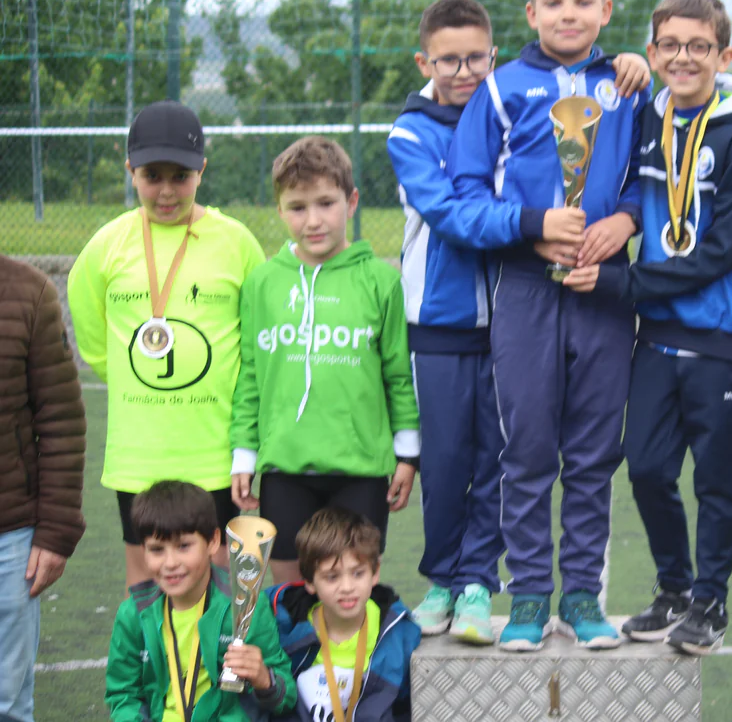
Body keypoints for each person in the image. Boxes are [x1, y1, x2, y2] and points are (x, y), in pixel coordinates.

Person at [447, 0, 651, 651]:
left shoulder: (627, 86)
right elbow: (465, 197)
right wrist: (531, 228)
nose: (570, 14)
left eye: (583, 2)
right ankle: (531, 594)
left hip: (603, 289)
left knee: (594, 453)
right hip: (527, 289)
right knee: (528, 449)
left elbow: (647, 179)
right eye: (555, 3)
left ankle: (584, 595)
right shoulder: (500, 89)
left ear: (606, 10)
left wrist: (624, 223)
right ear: (531, 12)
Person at [564, 0, 732, 655]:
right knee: (648, 467)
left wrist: (621, 284)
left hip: (722, 335)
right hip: (656, 332)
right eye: (670, 46)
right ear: (654, 53)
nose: (684, 58)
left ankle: (711, 601)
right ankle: (675, 588)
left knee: (717, 478)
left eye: (699, 46)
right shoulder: (648, 116)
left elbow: (723, 252)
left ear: (724, 56)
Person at [68, 100, 265, 589]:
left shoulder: (237, 243)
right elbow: (96, 342)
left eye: (180, 176)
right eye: (152, 176)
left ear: (202, 170)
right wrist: (139, 381)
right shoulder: (106, 246)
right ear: (130, 171)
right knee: (146, 580)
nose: (166, 190)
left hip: (214, 453)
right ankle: (150, 646)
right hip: (139, 454)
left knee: (218, 579)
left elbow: (255, 343)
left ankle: (220, 645)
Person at [229, 136, 420, 586]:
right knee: (290, 595)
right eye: (297, 207)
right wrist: (244, 454)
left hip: (361, 468)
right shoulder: (262, 284)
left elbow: (398, 374)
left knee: (350, 590)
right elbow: (251, 375)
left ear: (351, 202)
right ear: (280, 210)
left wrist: (407, 454)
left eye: (326, 203)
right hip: (285, 467)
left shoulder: (381, 281)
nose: (313, 220)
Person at [105, 480, 296, 721]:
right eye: (157, 549)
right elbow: (123, 695)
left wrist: (265, 679)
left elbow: (287, 697)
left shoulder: (246, 606)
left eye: (183, 546)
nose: (170, 562)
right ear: (142, 550)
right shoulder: (133, 613)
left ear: (213, 542)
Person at [0, 256, 87, 722]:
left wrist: (55, 532)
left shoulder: (29, 292)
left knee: (7, 703)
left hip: (9, 538)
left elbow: (61, 420)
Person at [268, 507, 421, 722]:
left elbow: (408, 710)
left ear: (375, 572)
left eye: (358, 573)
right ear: (309, 581)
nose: (347, 587)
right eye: (332, 577)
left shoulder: (399, 633)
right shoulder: (284, 627)